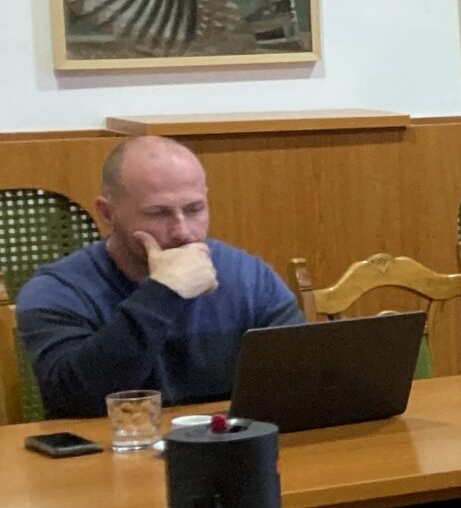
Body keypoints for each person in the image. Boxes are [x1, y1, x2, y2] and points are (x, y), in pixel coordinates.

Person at [16, 136, 302, 417]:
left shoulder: (249, 277)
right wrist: (163, 293)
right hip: (113, 446)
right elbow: (75, 402)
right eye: (158, 213)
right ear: (107, 213)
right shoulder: (57, 291)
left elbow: (301, 379)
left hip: (224, 441)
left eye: (194, 209)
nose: (183, 232)